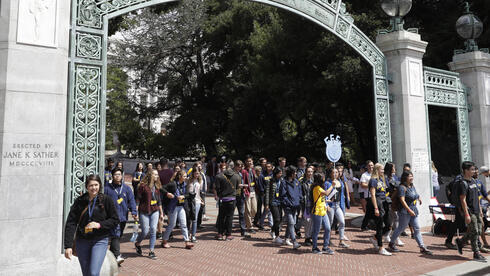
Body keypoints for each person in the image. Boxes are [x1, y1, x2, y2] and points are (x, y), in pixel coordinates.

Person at [64, 175, 119, 276]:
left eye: (96, 185)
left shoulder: (106, 200)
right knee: (86, 273)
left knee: (93, 273)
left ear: (100, 185)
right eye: (91, 185)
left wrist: (99, 225)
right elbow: (71, 223)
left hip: (100, 240)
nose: (94, 188)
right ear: (86, 187)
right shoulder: (80, 201)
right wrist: (68, 246)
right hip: (82, 241)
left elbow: (115, 220)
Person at [388, 171, 433, 255]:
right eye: (410, 176)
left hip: (413, 210)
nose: (412, 178)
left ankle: (422, 247)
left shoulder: (412, 186)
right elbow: (402, 200)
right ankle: (391, 243)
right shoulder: (402, 187)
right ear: (405, 178)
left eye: (412, 176)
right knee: (401, 228)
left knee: (417, 228)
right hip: (405, 211)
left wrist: (419, 198)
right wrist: (409, 210)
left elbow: (415, 194)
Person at [454, 161, 487, 262]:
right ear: (466, 170)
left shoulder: (473, 181)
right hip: (470, 211)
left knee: (479, 229)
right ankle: (476, 253)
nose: (474, 171)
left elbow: (477, 197)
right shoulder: (463, 183)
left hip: (477, 210)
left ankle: (460, 242)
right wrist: (467, 214)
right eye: (472, 169)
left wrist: (480, 209)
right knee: (475, 231)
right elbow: (463, 199)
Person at [105, 168, 138, 265]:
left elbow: (131, 200)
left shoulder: (127, 188)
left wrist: (134, 211)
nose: (117, 176)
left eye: (119, 174)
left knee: (118, 235)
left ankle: (111, 256)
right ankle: (117, 255)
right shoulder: (107, 188)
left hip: (123, 216)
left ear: (122, 175)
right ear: (112, 176)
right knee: (116, 233)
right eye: (115, 174)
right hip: (111, 216)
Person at [135, 169, 165, 259]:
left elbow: (159, 201)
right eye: (155, 174)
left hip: (154, 210)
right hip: (144, 211)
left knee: (153, 229)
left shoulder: (156, 186)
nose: (157, 176)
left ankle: (151, 251)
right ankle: (137, 243)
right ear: (150, 175)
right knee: (145, 231)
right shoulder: (143, 186)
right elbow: (137, 200)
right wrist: (135, 212)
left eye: (157, 175)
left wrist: (161, 213)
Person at [161, 170, 193, 249]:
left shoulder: (185, 185)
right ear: (180, 176)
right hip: (173, 206)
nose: (186, 178)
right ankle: (164, 240)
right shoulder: (173, 184)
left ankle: (187, 242)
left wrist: (184, 196)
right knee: (172, 224)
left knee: (184, 224)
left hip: (181, 206)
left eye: (186, 176)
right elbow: (161, 188)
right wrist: (167, 193)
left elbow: (189, 194)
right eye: (184, 176)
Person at [367, 163, 392, 256]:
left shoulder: (383, 179)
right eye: (382, 170)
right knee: (380, 226)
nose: (383, 171)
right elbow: (373, 195)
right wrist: (376, 208)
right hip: (378, 203)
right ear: (377, 170)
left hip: (385, 202)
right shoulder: (373, 180)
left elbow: (387, 191)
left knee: (389, 225)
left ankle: (375, 238)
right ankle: (381, 247)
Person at [214, 162, 240, 240]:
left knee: (221, 217)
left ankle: (220, 234)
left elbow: (217, 188)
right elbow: (237, 188)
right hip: (232, 199)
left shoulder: (219, 176)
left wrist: (220, 195)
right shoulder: (237, 176)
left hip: (222, 199)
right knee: (229, 217)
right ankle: (228, 235)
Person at [324, 167, 349, 248]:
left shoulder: (340, 182)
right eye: (333, 172)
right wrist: (326, 205)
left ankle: (341, 241)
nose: (335, 174)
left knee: (342, 222)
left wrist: (342, 206)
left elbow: (341, 195)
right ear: (330, 174)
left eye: (336, 172)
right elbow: (325, 195)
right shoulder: (327, 183)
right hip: (331, 206)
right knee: (330, 223)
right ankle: (328, 240)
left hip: (338, 205)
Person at [311, 173, 334, 254]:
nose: (324, 178)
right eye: (323, 177)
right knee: (316, 230)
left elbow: (322, 198)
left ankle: (325, 247)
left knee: (328, 228)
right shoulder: (316, 187)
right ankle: (314, 247)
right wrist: (332, 186)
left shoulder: (321, 187)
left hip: (323, 211)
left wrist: (327, 201)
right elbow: (326, 193)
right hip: (317, 212)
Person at [281, 166, 302, 249]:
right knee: (291, 222)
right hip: (288, 207)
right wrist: (289, 203)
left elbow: (299, 193)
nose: (296, 174)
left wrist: (299, 200)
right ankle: (294, 242)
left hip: (295, 206)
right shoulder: (284, 182)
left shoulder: (296, 182)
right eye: (294, 172)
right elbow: (283, 195)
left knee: (291, 223)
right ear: (291, 173)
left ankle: (286, 238)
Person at [384, 162, 404, 246]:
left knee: (393, 219)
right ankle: (395, 237)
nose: (395, 169)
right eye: (393, 167)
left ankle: (387, 235)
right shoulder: (385, 178)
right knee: (395, 218)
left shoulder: (395, 177)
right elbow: (386, 189)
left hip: (396, 200)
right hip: (390, 200)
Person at [265, 167, 284, 244]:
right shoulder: (271, 181)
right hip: (273, 202)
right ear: (276, 174)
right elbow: (267, 193)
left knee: (280, 219)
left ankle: (272, 230)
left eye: (281, 173)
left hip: (280, 202)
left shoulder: (282, 181)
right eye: (279, 173)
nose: (281, 174)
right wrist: (266, 204)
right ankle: (277, 236)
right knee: (276, 219)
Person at [186, 169, 204, 242]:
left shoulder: (200, 181)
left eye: (198, 173)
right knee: (188, 218)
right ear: (192, 173)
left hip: (197, 201)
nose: (197, 175)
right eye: (196, 173)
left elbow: (199, 192)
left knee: (194, 219)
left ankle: (193, 235)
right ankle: (187, 234)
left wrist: (201, 200)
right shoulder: (188, 180)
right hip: (188, 201)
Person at [299, 166, 314, 246]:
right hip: (306, 204)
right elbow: (300, 193)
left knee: (312, 221)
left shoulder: (313, 181)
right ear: (305, 173)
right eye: (308, 172)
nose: (310, 173)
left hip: (313, 204)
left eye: (311, 172)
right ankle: (307, 238)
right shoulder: (302, 182)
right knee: (307, 221)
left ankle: (310, 236)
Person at [242, 157, 258, 236]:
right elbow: (243, 181)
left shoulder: (253, 171)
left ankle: (247, 222)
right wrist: (244, 190)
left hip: (253, 191)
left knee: (254, 210)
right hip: (247, 192)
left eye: (251, 161)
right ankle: (250, 227)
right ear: (246, 163)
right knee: (247, 210)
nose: (250, 162)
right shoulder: (244, 171)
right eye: (248, 161)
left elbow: (255, 181)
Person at [233, 160, 248, 237]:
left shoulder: (240, 174)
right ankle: (227, 230)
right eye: (239, 166)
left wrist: (244, 187)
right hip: (233, 196)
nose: (240, 168)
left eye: (241, 166)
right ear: (235, 166)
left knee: (241, 213)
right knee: (231, 213)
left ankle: (243, 230)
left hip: (241, 195)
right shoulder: (231, 174)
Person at [360, 160, 374, 230]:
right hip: (368, 196)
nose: (371, 167)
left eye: (372, 165)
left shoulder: (375, 174)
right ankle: (365, 226)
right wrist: (370, 185)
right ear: (366, 167)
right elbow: (362, 185)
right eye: (369, 165)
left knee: (370, 212)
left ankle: (365, 226)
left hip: (375, 195)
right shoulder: (364, 175)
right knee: (369, 212)